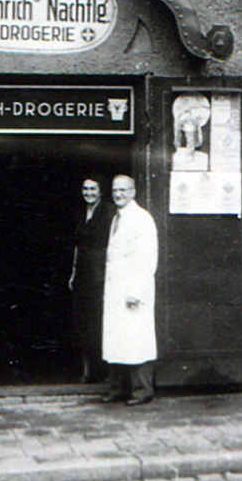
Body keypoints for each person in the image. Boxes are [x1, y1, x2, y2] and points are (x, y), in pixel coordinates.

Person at [101, 174, 158, 406]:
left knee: (136, 339)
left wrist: (136, 291)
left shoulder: (142, 219)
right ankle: (118, 388)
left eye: (123, 190)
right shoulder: (117, 218)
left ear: (133, 192)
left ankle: (142, 390)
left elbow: (147, 258)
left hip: (133, 291)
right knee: (117, 339)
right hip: (116, 290)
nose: (118, 194)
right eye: (115, 190)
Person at [69, 177, 113, 383]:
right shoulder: (81, 213)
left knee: (100, 321)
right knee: (83, 322)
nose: (89, 193)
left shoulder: (109, 212)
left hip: (101, 272)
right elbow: (77, 245)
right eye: (85, 188)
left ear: (101, 191)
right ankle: (88, 371)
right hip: (84, 274)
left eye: (93, 189)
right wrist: (73, 272)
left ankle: (107, 372)